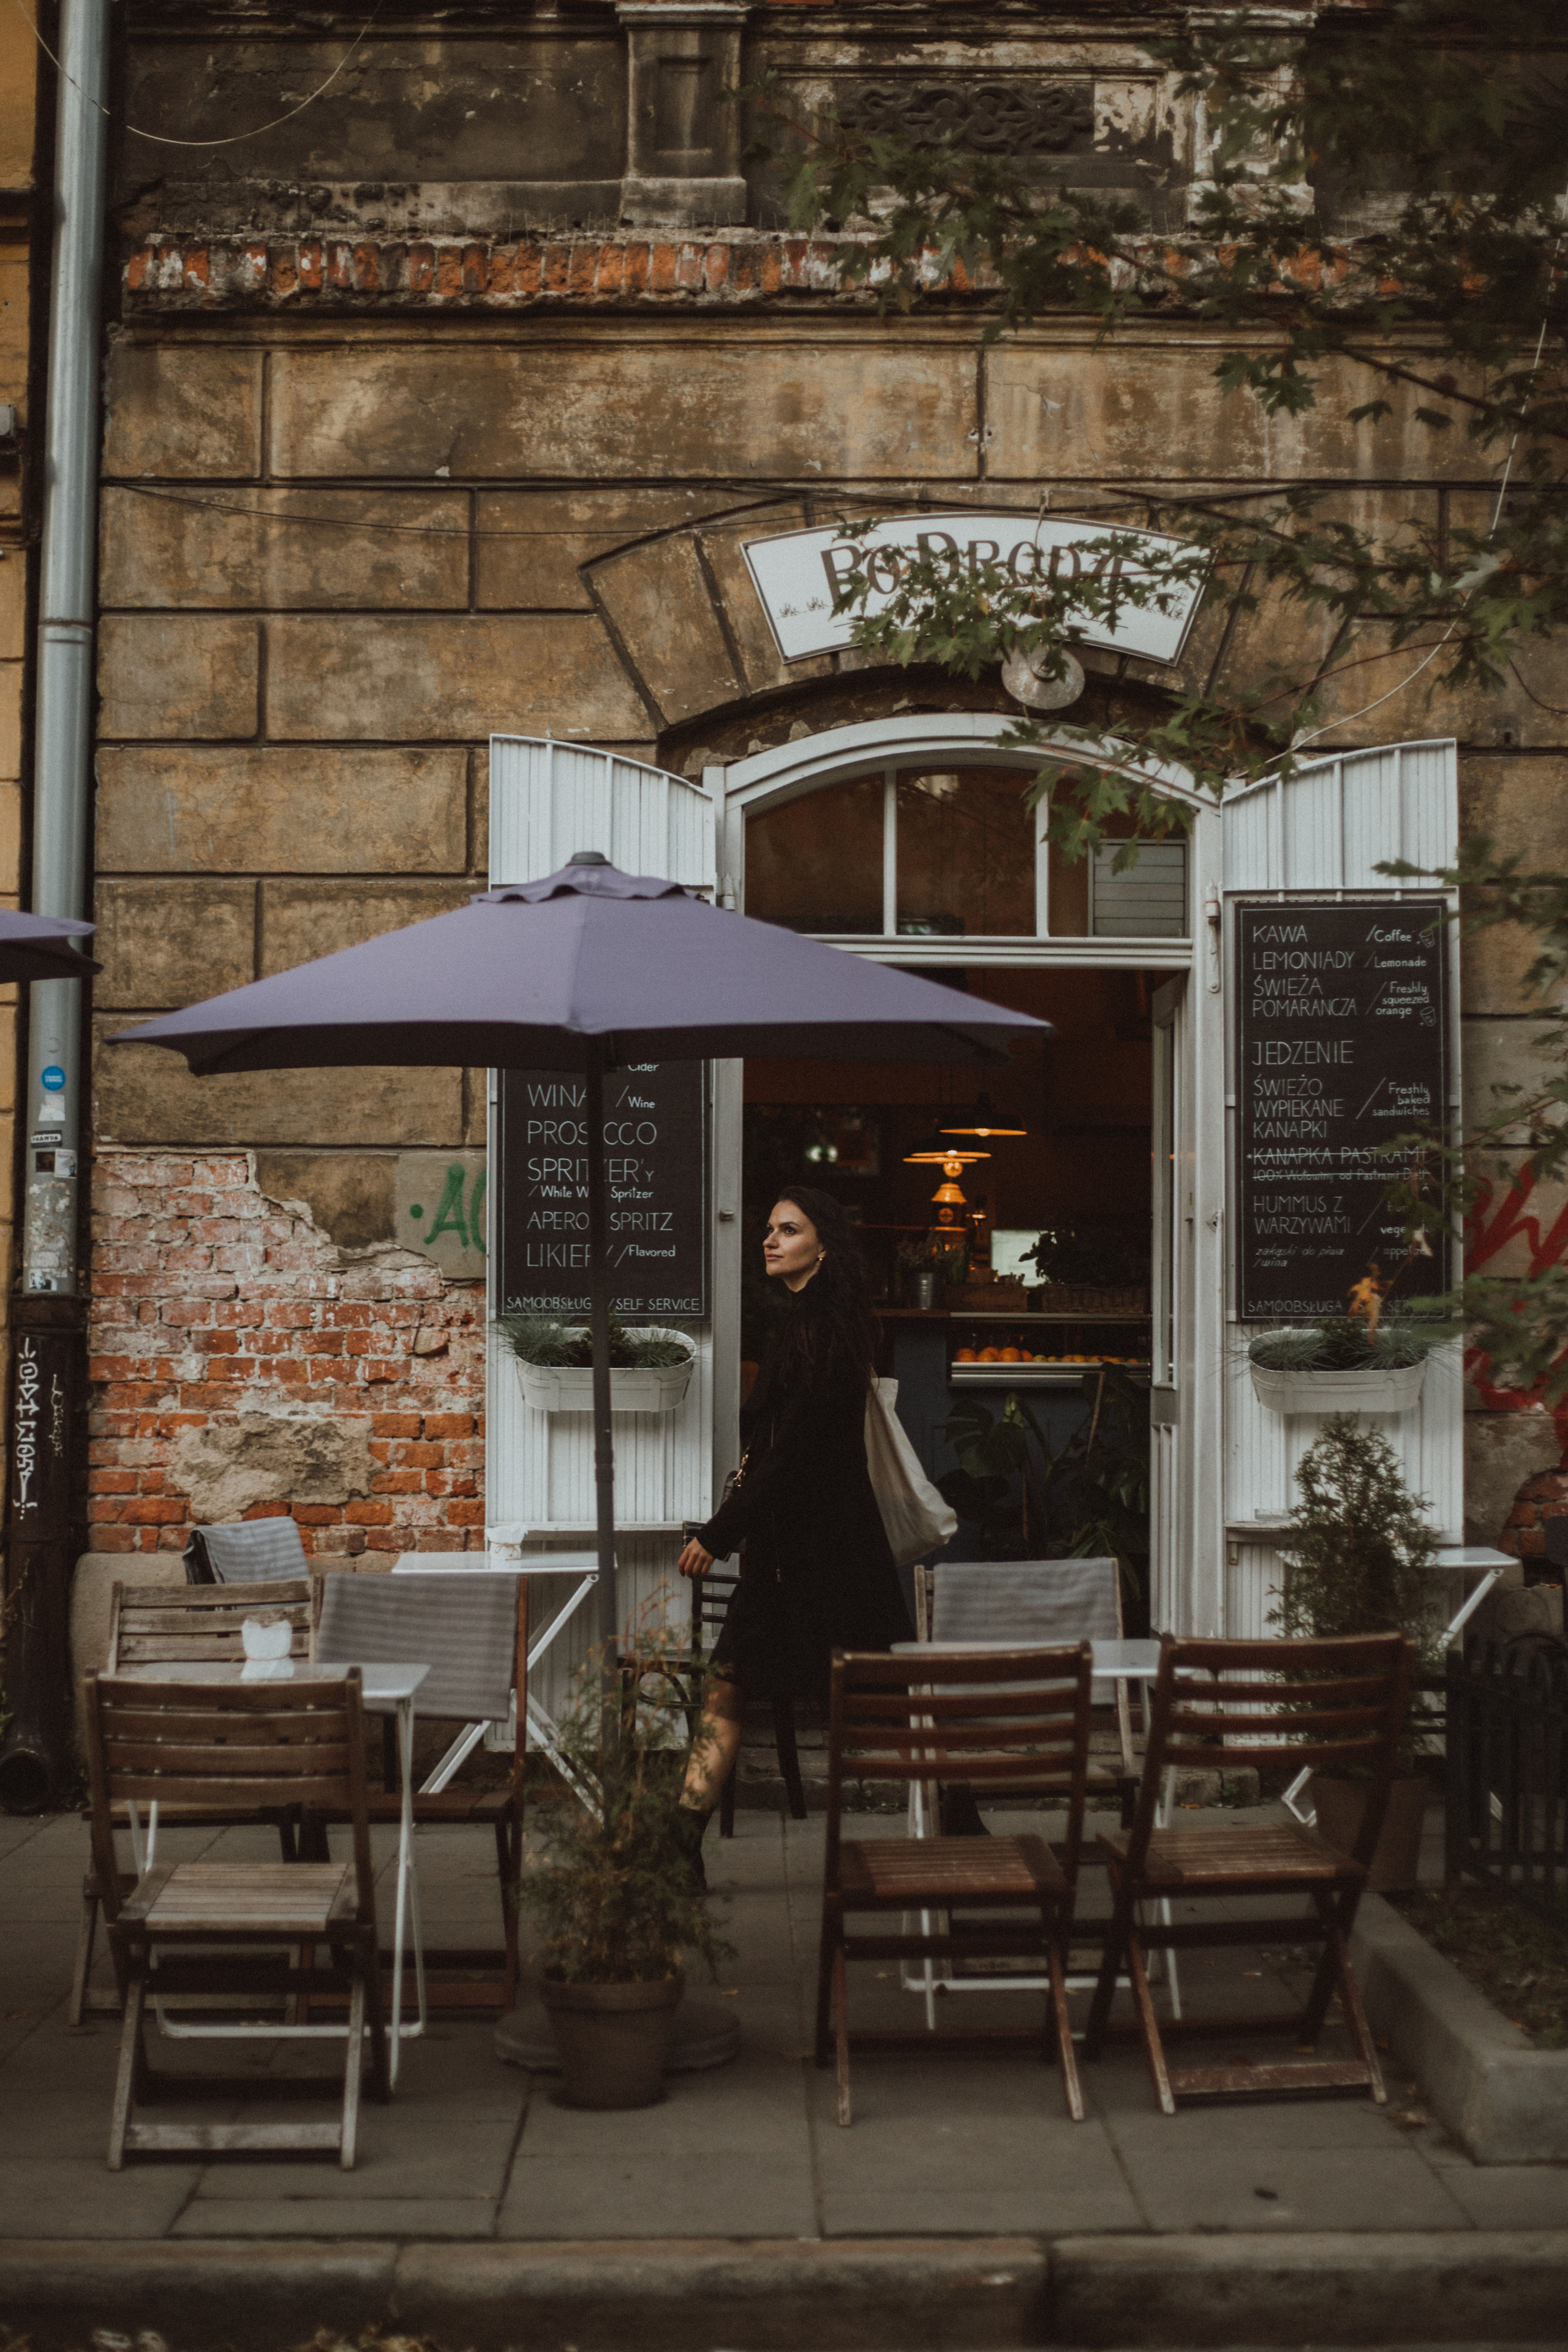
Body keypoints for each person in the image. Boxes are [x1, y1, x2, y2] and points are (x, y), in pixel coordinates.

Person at [672, 1184, 913, 1885]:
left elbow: (791, 1453)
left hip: (815, 1555)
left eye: (788, 1230)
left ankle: (960, 1819)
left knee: (882, 1699)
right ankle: (680, 1845)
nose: (770, 1241)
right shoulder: (815, 1325)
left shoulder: (818, 1332)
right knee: (738, 1687)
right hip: (808, 1552)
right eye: (770, 1231)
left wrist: (721, 1532)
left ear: (823, 1245)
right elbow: (781, 1451)